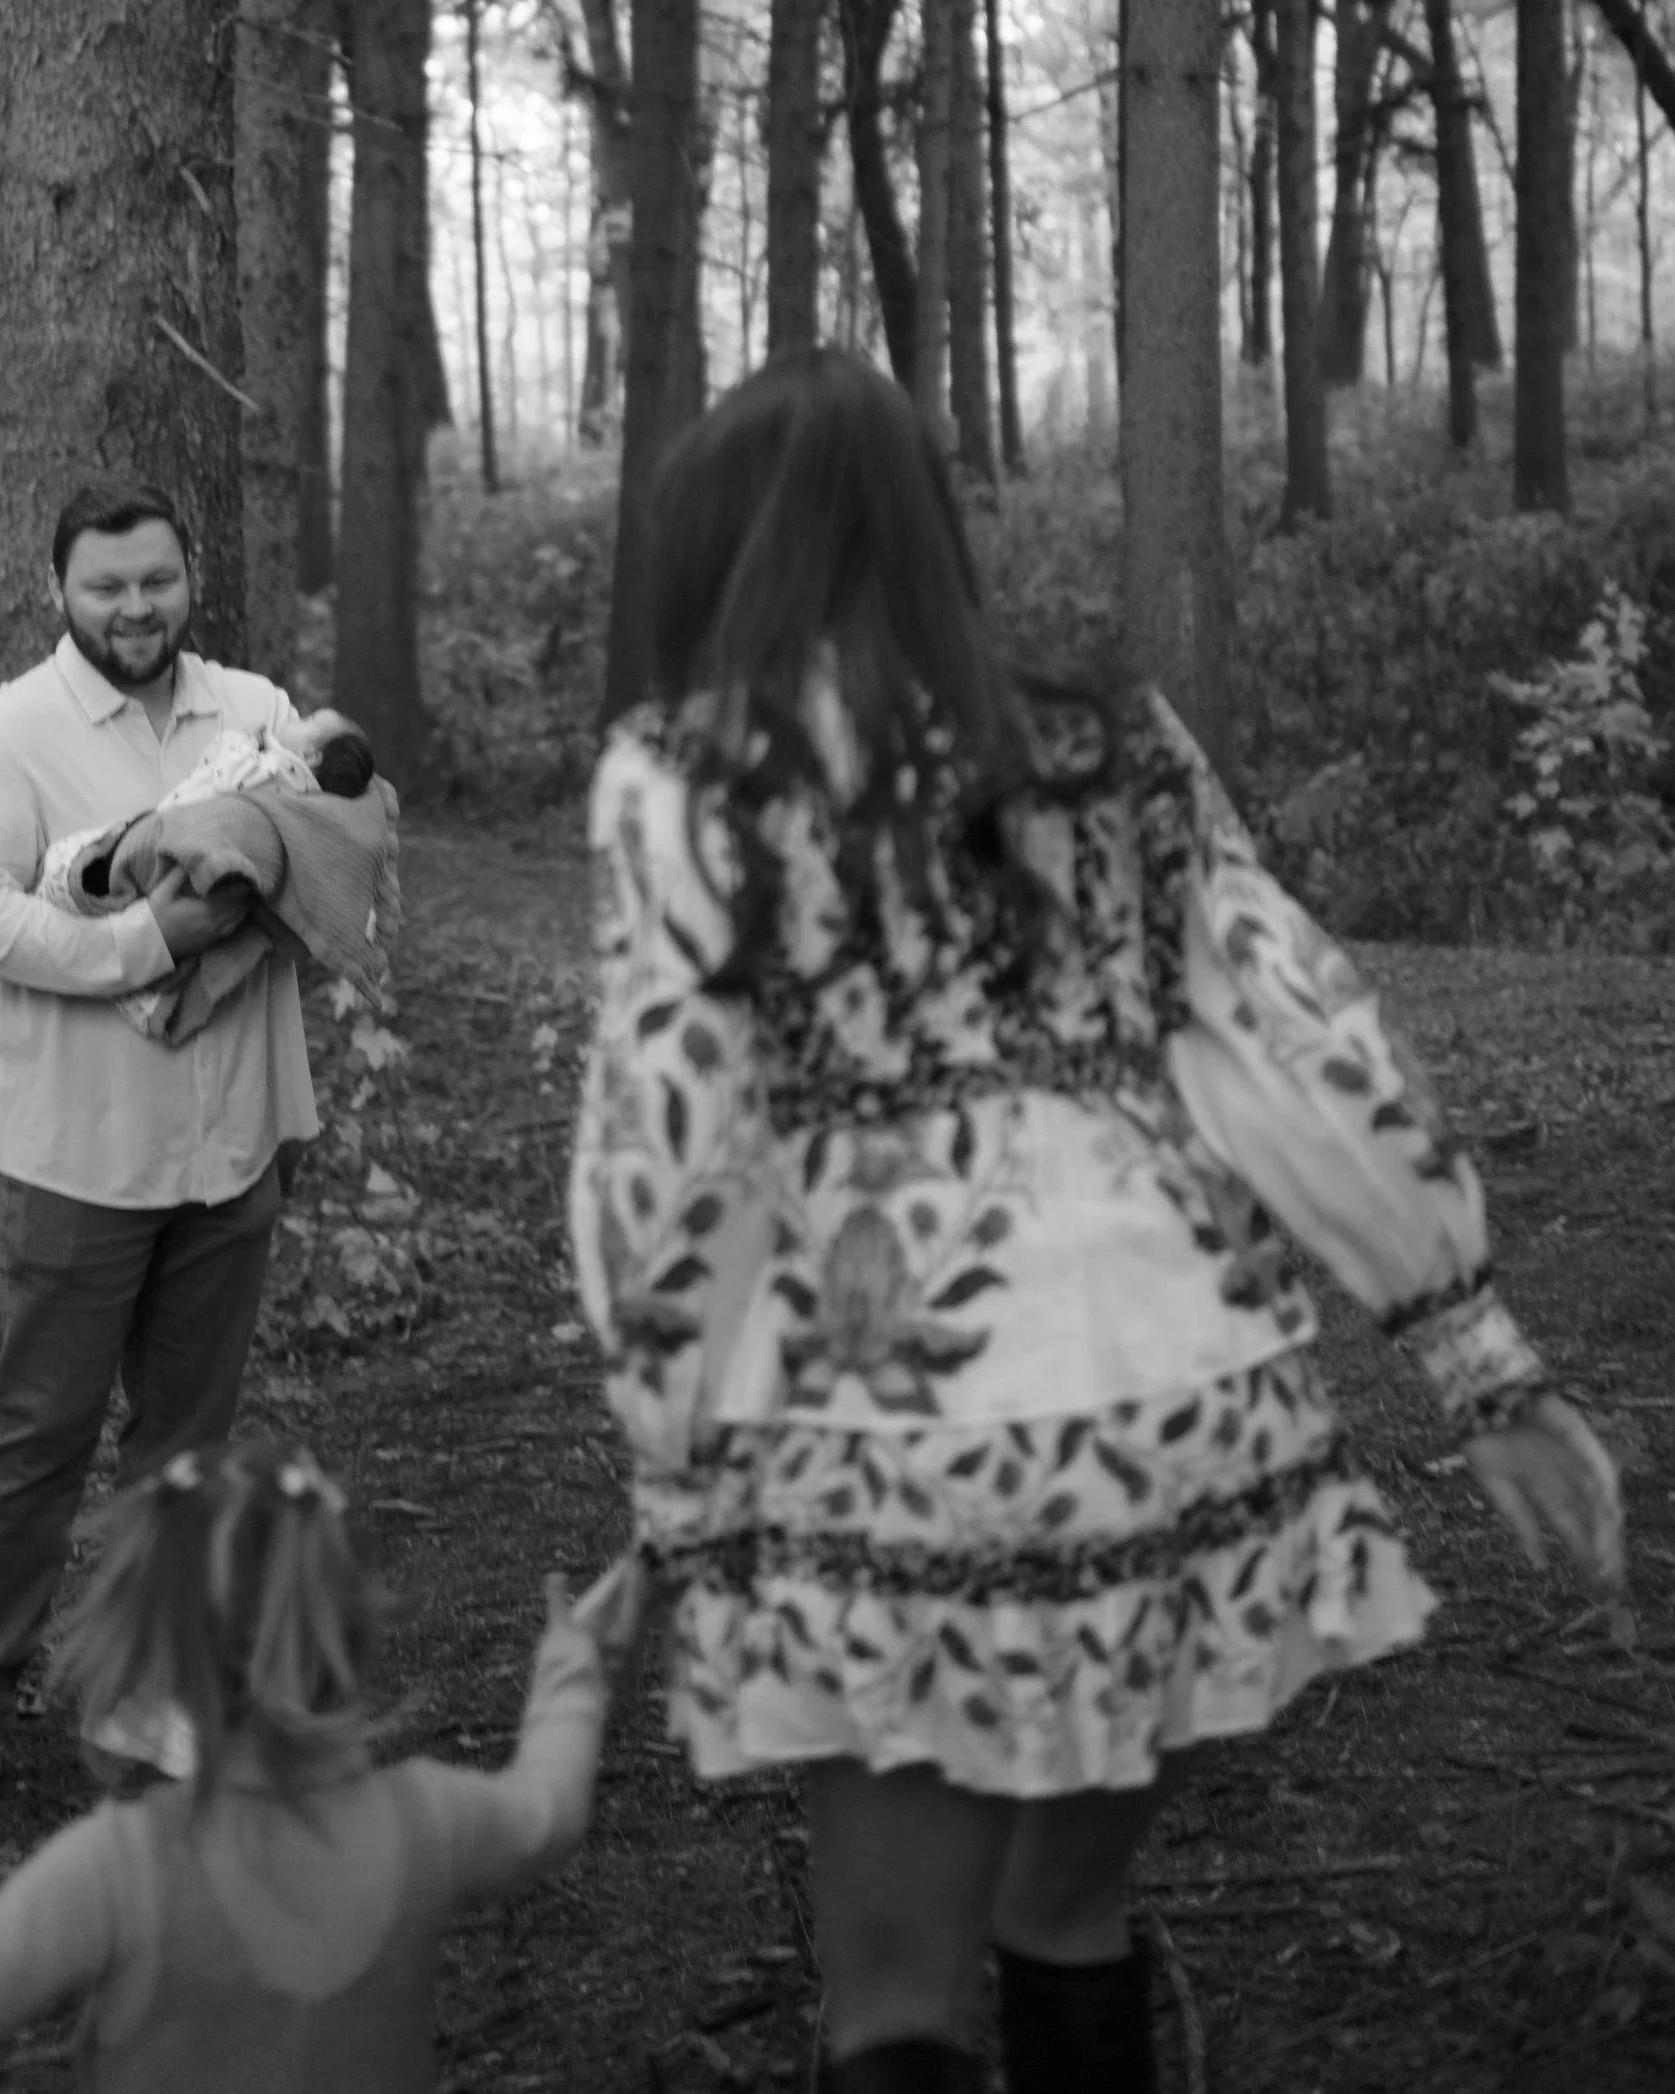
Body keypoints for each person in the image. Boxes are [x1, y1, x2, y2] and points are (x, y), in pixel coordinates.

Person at [567, 350, 1625, 2094]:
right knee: (1068, 1913)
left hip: (894, 1423)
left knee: (891, 1992)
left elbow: (667, 1135)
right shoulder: (1112, 738)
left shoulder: (683, 776)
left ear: (719, 550)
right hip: (1183, 1398)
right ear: (928, 522)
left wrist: (679, 1466)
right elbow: (1290, 1027)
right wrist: (1477, 1354)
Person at [0, 1441, 642, 2086]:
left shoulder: (123, 1871)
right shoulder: (427, 1821)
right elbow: (547, 1813)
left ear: (146, 1659)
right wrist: (571, 1670)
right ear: (350, 1637)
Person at [0, 477, 381, 1846]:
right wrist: (136, 943)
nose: (135, 607)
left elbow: (326, 848)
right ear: (60, 588)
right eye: (106, 585)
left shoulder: (253, 711)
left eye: (156, 579)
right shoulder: (11, 733)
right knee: (37, 1437)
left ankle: (151, 1686)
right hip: (81, 1154)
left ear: (188, 576)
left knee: (185, 1446)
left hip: (231, 1145)